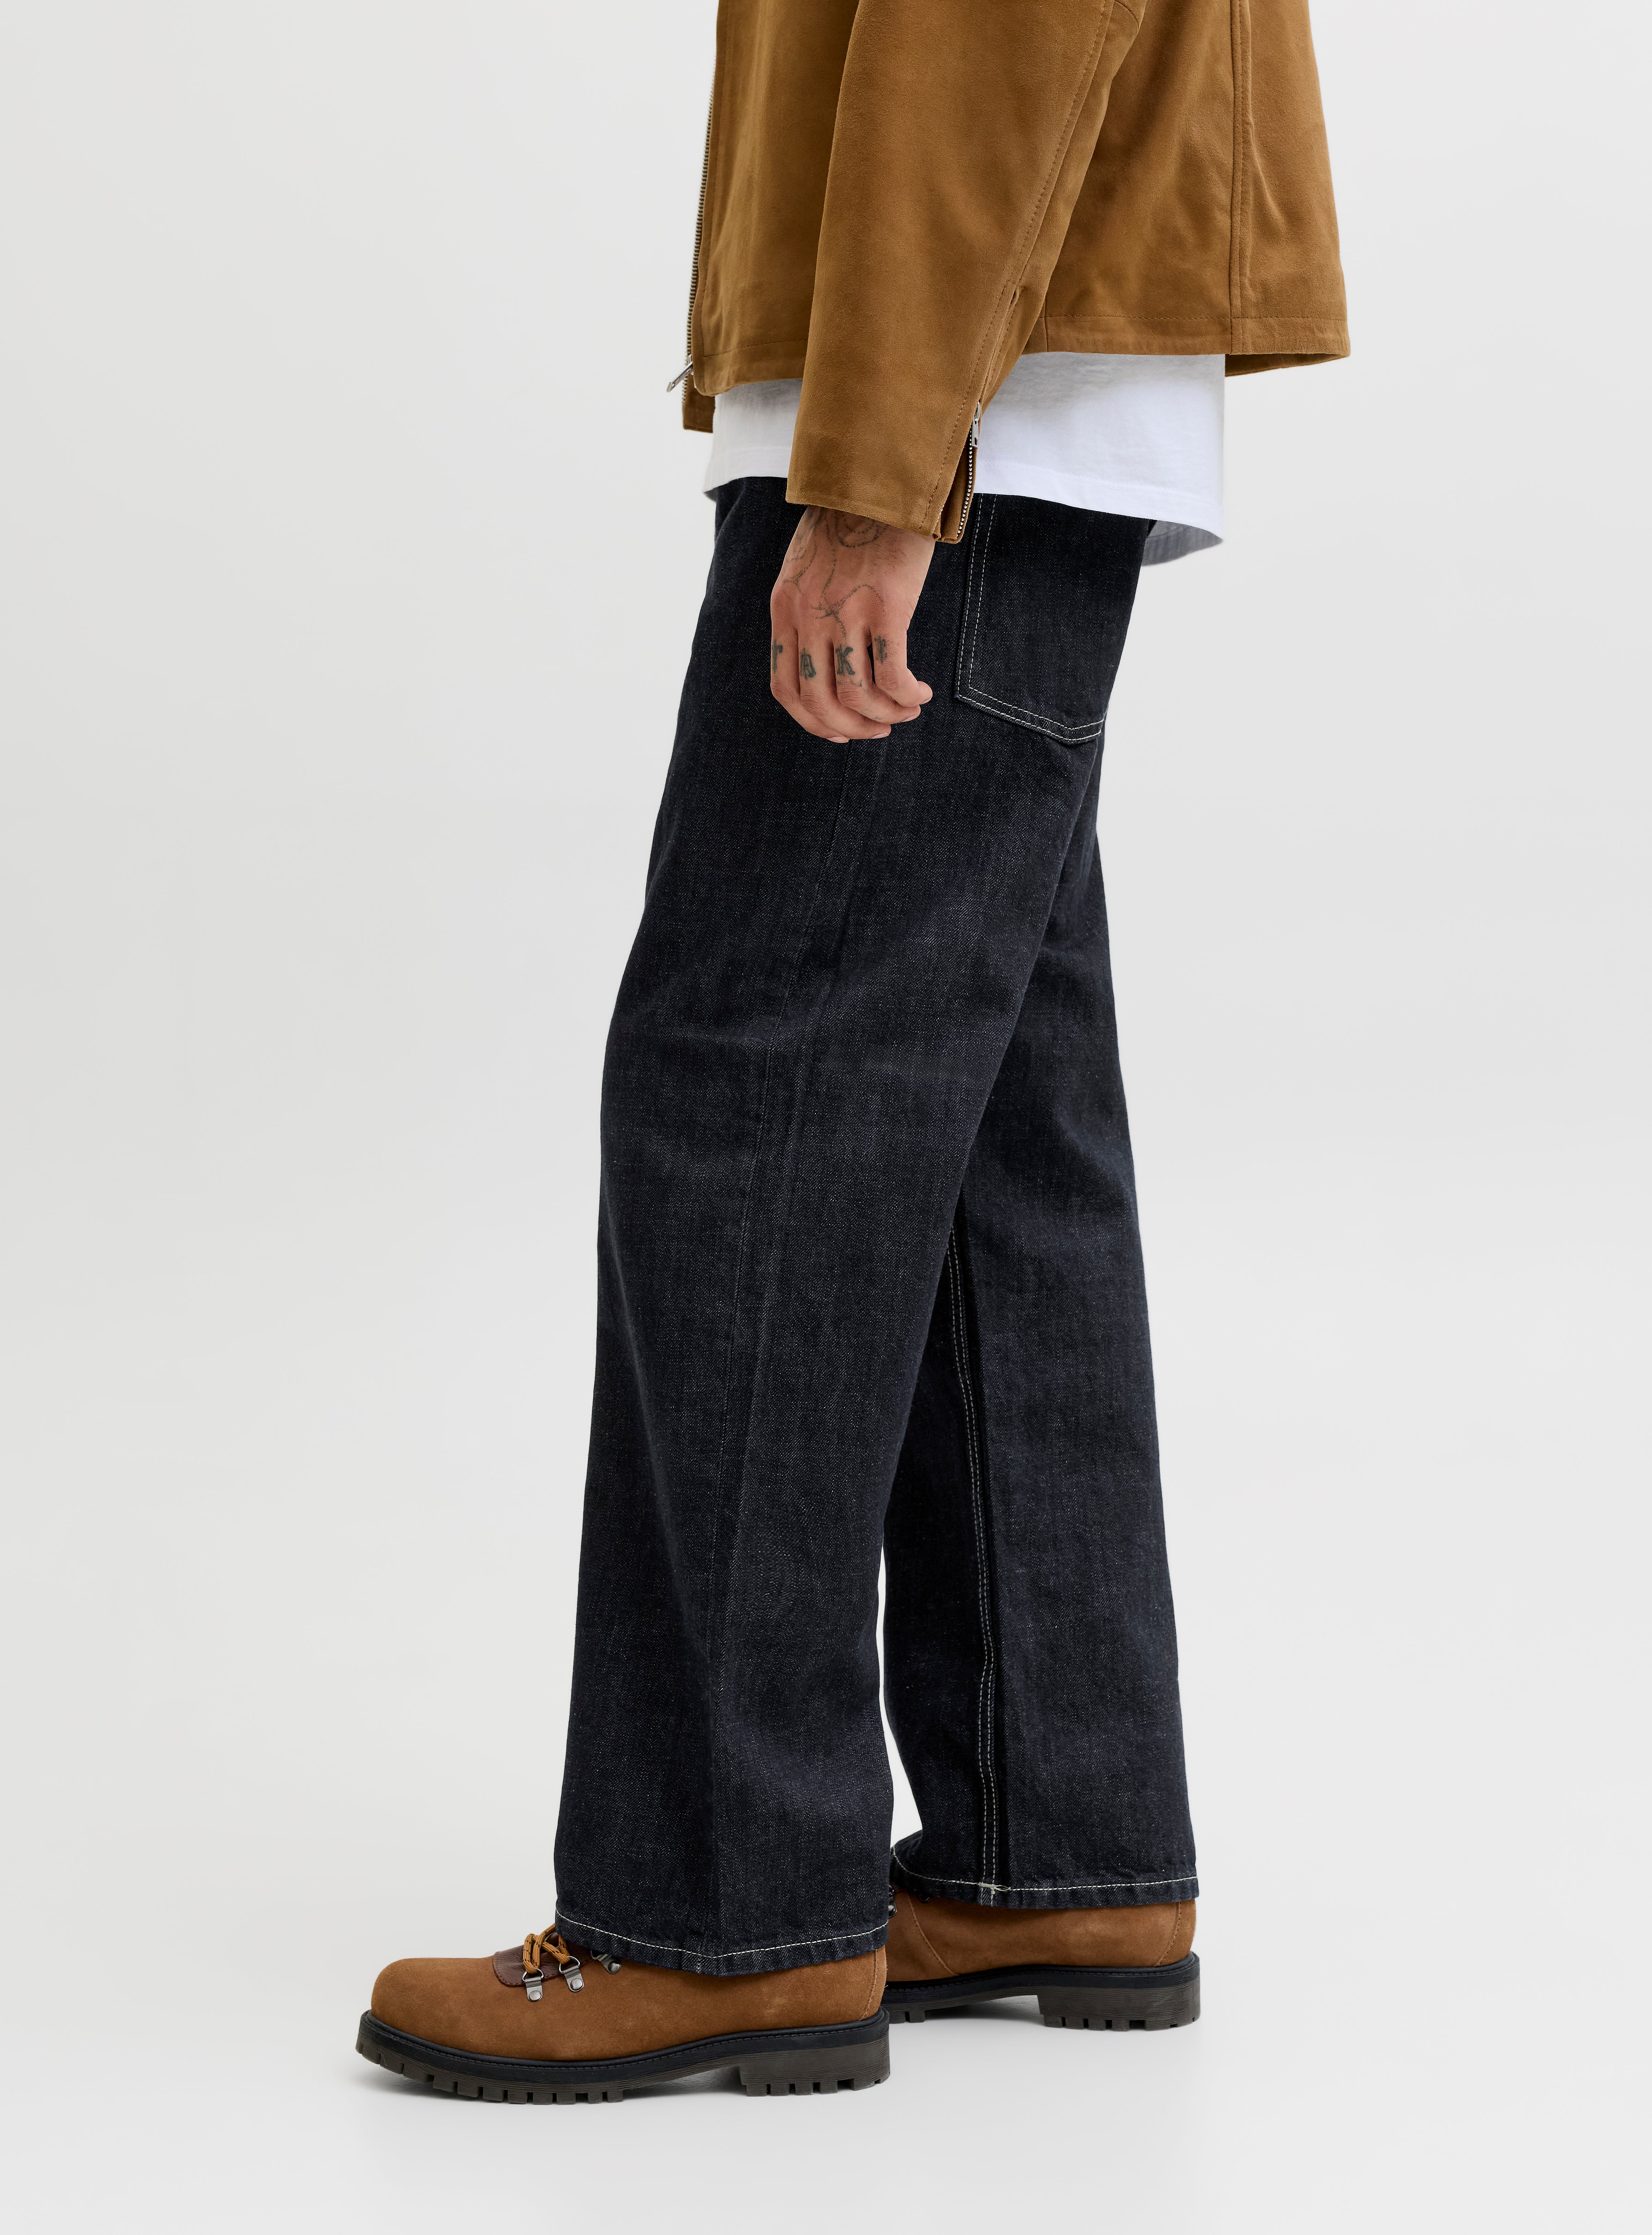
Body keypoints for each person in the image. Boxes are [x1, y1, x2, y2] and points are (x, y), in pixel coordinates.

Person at [358, 0, 1346, 2102]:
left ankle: (716, 1906)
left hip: (957, 396)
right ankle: (1048, 1844)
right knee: (987, 1126)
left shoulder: (918, 430)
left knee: (750, 1095)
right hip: (1018, 367)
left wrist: (882, 463)